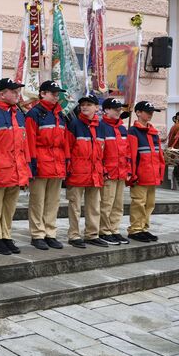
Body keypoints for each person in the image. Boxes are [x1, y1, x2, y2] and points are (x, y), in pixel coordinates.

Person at [0, 78, 31, 255]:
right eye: (14, 91)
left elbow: (24, 144)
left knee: (10, 207)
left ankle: (5, 235)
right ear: (2, 94)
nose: (18, 94)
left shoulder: (18, 114)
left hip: (16, 169)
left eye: (18, 91)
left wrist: (26, 168)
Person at [24, 81, 69, 251]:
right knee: (37, 201)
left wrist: (66, 161)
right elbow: (29, 141)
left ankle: (50, 233)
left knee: (53, 202)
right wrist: (32, 164)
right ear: (42, 94)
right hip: (41, 162)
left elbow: (64, 141)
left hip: (57, 163)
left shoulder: (60, 114)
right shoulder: (34, 114)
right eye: (53, 93)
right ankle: (37, 234)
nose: (56, 96)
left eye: (57, 93)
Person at [65, 95, 107, 248]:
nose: (84, 107)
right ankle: (74, 235)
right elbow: (68, 148)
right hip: (77, 172)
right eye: (82, 104)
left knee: (94, 206)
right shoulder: (74, 124)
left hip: (95, 173)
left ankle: (92, 234)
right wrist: (68, 169)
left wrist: (103, 169)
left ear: (96, 107)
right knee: (75, 206)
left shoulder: (101, 127)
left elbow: (103, 152)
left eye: (89, 104)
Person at [127, 101, 164, 242]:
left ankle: (143, 228)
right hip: (140, 175)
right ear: (138, 113)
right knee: (138, 202)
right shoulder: (133, 131)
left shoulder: (153, 132)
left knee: (150, 204)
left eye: (152, 112)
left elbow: (159, 155)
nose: (150, 114)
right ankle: (135, 229)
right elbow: (131, 155)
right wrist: (132, 174)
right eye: (147, 112)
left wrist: (160, 173)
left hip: (152, 175)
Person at [98, 98, 132, 245]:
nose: (119, 111)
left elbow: (127, 151)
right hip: (109, 173)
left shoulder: (122, 128)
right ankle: (104, 231)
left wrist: (128, 169)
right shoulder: (101, 127)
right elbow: (99, 152)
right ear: (106, 110)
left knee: (118, 204)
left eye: (119, 109)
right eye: (115, 108)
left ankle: (114, 229)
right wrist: (104, 170)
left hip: (121, 172)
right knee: (106, 203)